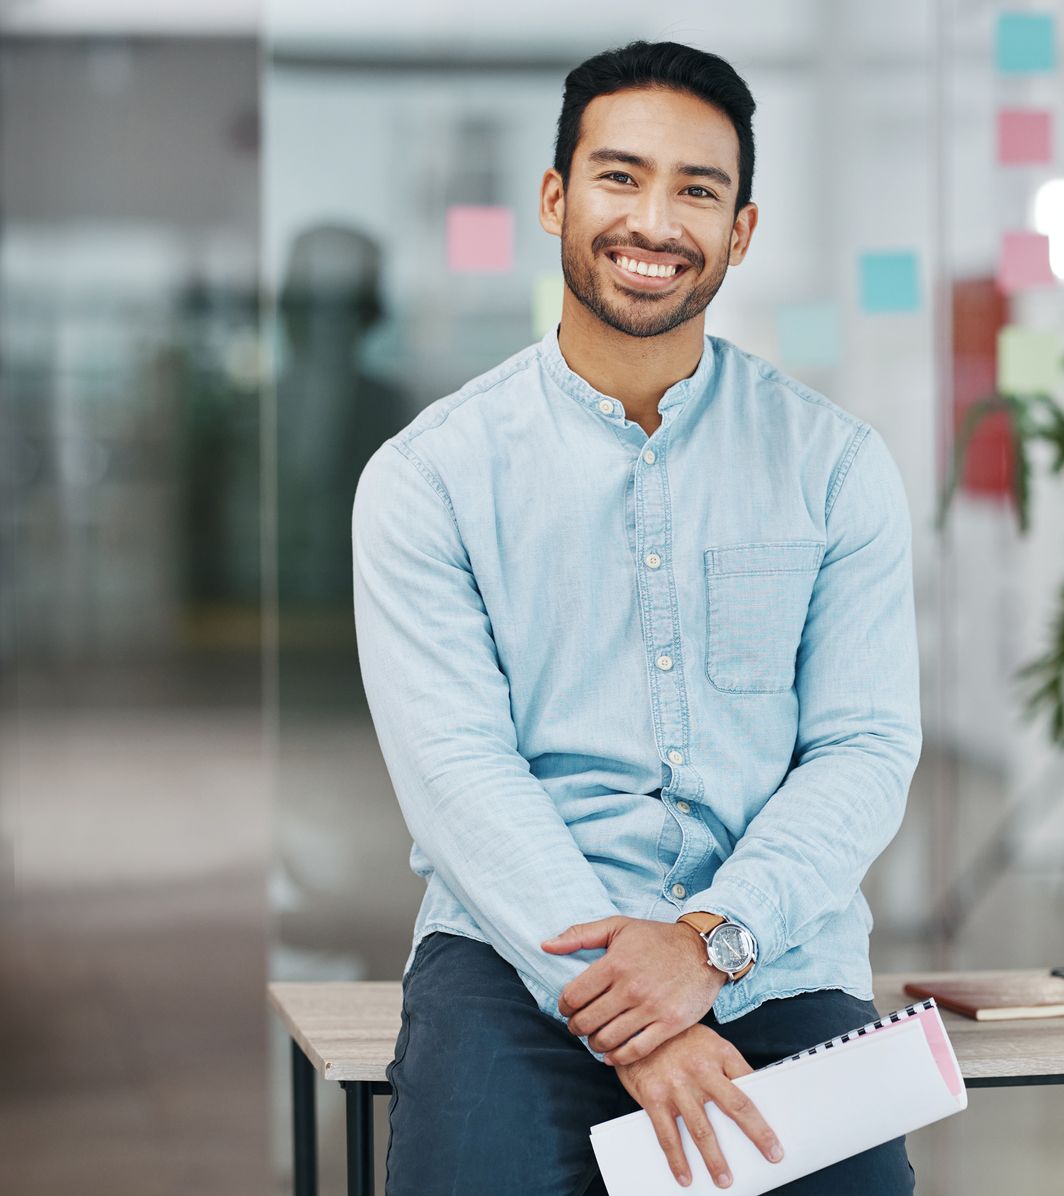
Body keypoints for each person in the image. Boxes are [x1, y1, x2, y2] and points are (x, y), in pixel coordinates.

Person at [352, 39, 919, 1195]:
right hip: (515, 957)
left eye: (696, 190)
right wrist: (642, 1012)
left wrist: (711, 942)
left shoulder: (836, 466)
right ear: (557, 198)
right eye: (620, 177)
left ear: (741, 231)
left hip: (773, 959)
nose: (654, 220)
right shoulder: (430, 478)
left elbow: (864, 745)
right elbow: (458, 769)